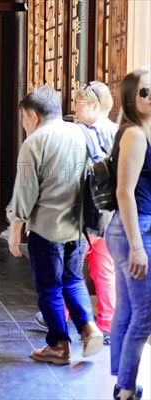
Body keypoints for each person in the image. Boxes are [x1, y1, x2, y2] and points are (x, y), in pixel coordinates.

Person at [7, 86, 104, 364]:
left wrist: (15, 229)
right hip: (78, 226)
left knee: (49, 287)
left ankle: (59, 346)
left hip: (47, 228)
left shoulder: (35, 142)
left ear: (33, 116)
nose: (24, 125)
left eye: (24, 118)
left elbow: (24, 193)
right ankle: (88, 328)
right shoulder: (81, 133)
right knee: (73, 280)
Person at [35, 82, 118, 344]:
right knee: (103, 270)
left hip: (82, 210)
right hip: (111, 211)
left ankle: (62, 315)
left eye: (80, 103)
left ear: (95, 106)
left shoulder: (78, 133)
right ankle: (105, 325)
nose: (75, 108)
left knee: (68, 268)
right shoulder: (118, 133)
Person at [105, 67, 150, 400]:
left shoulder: (141, 131)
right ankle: (125, 389)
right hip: (135, 229)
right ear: (132, 99)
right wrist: (137, 247)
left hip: (131, 228)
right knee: (145, 314)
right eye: (145, 91)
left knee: (128, 309)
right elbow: (124, 193)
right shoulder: (134, 134)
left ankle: (123, 380)